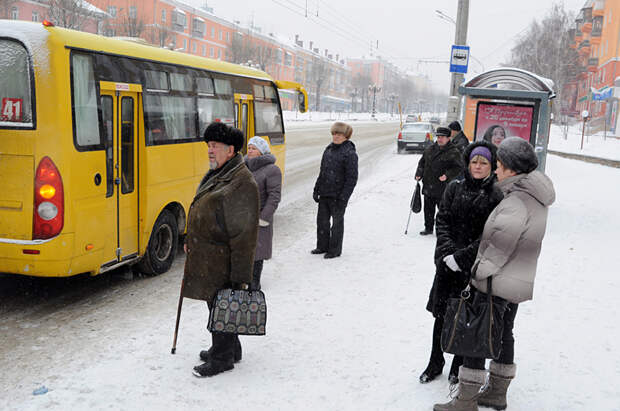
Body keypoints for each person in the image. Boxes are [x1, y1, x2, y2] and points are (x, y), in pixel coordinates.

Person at [433, 137, 555, 411]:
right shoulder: (531, 195)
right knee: (503, 333)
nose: (496, 170)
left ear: (511, 168)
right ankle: (497, 393)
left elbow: (498, 249)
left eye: (499, 165)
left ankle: (465, 401)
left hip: (495, 282)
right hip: (516, 279)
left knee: (477, 335)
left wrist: (474, 271)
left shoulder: (516, 201)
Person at [420, 141, 503, 385]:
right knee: (441, 315)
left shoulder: (495, 194)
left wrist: (462, 258)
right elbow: (442, 219)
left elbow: (491, 235)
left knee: (466, 317)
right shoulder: (454, 187)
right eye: (474, 161)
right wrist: (447, 253)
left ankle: (458, 365)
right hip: (447, 266)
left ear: (492, 166)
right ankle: (435, 362)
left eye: (484, 162)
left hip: (474, 268)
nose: (477, 166)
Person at [182, 122, 259, 378]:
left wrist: (240, 277)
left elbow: (244, 235)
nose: (210, 150)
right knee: (218, 305)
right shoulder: (221, 172)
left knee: (223, 304)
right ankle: (230, 348)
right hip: (210, 258)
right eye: (209, 146)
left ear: (231, 150)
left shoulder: (241, 182)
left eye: (215, 146)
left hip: (224, 260)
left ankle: (222, 357)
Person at [311, 121, 358, 259]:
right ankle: (322, 246)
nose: (336, 136)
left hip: (338, 196)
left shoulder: (349, 154)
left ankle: (335, 250)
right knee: (322, 222)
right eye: (334, 133)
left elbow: (352, 179)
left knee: (336, 224)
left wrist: (344, 197)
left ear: (346, 136)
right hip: (325, 193)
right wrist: (316, 189)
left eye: (339, 134)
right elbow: (322, 171)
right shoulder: (328, 150)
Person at [245, 136, 282, 291]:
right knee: (244, 251)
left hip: (260, 217)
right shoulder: (243, 167)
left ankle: (254, 284)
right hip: (242, 217)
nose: (250, 151)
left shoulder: (272, 169)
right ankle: (245, 280)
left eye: (254, 148)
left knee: (257, 252)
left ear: (262, 151)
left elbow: (274, 196)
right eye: (249, 148)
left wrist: (263, 217)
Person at [415, 127, 463, 236]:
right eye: (438, 137)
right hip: (428, 185)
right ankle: (428, 228)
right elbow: (422, 163)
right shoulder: (430, 149)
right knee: (428, 209)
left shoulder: (454, 151)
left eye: (442, 137)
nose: (440, 139)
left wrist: (447, 175)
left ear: (448, 138)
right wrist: (419, 173)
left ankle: (441, 230)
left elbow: (458, 168)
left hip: (443, 187)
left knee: (443, 211)